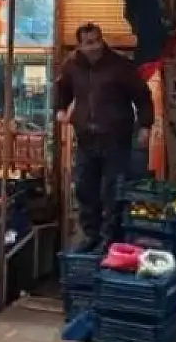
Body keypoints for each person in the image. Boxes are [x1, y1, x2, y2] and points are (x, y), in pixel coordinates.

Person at [55, 23, 155, 253]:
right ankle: (91, 234)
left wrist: (145, 126)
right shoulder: (72, 66)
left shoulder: (120, 66)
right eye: (89, 42)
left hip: (115, 139)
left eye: (97, 40)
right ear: (79, 45)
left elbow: (142, 96)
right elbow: (63, 90)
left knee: (112, 190)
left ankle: (109, 238)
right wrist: (61, 109)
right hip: (86, 139)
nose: (95, 46)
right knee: (84, 187)